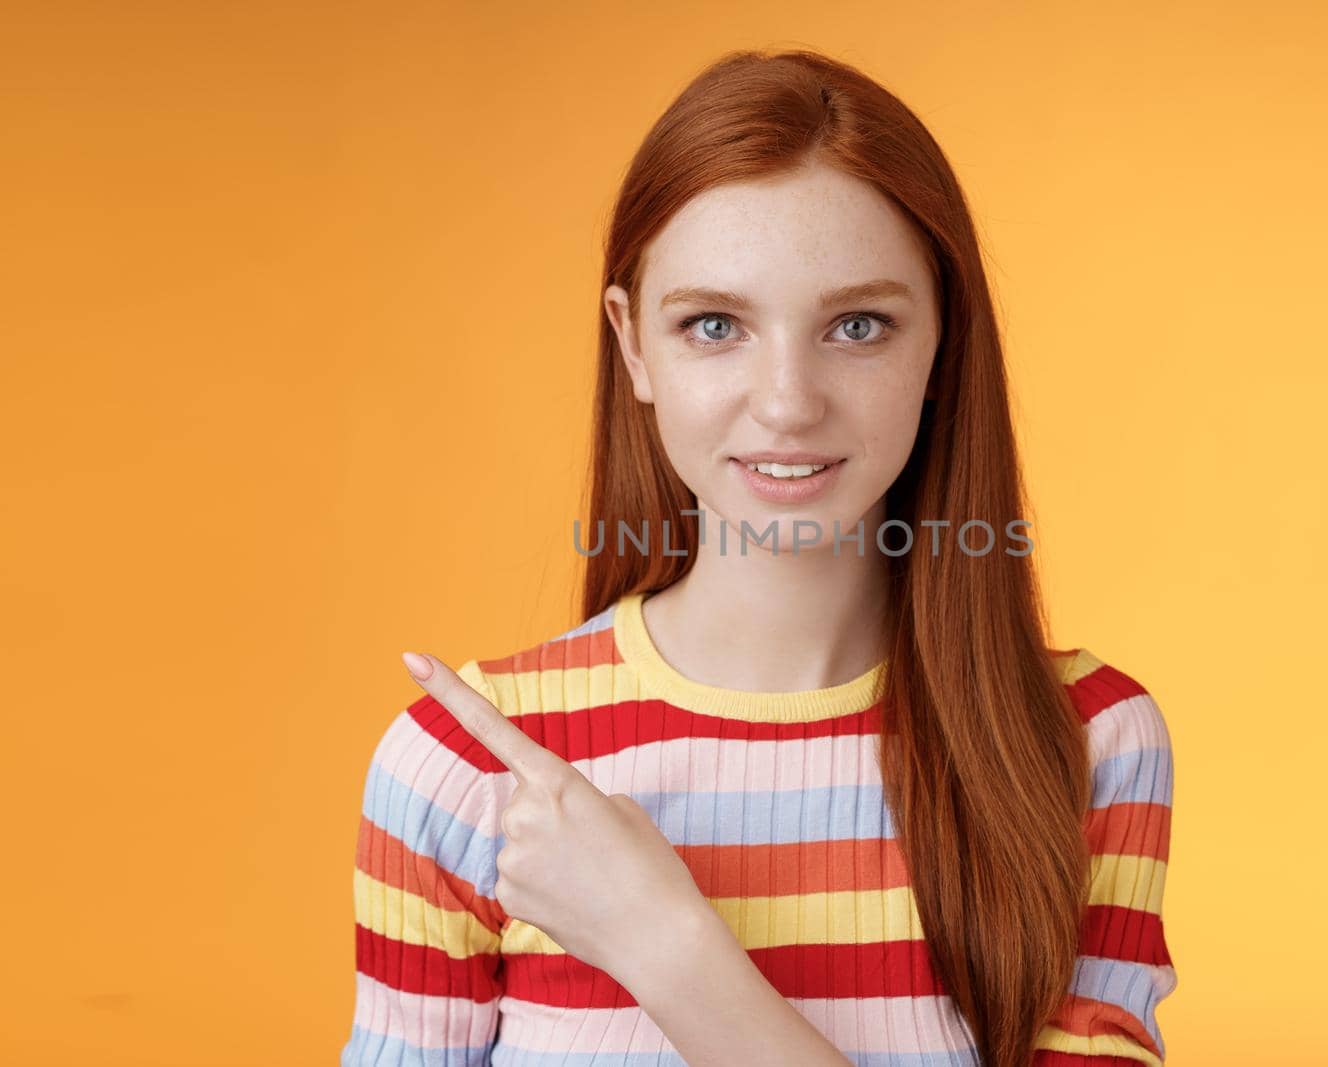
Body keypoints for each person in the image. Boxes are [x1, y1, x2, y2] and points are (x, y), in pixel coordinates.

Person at [341, 48, 1177, 1067]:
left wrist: (669, 948)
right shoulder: (467, 765)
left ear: (941, 345)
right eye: (713, 325)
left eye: (857, 325)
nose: (787, 401)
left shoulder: (1085, 744)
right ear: (634, 346)